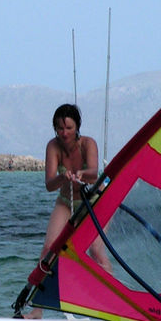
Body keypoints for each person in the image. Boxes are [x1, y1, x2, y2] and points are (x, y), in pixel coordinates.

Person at [40, 103, 112, 274]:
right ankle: (45, 292)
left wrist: (81, 173)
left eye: (69, 128)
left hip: (94, 201)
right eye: (60, 128)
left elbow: (94, 174)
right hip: (66, 202)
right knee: (49, 249)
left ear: (77, 127)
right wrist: (61, 177)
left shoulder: (88, 144)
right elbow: (50, 185)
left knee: (95, 250)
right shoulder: (53, 146)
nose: (65, 133)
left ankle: (110, 294)